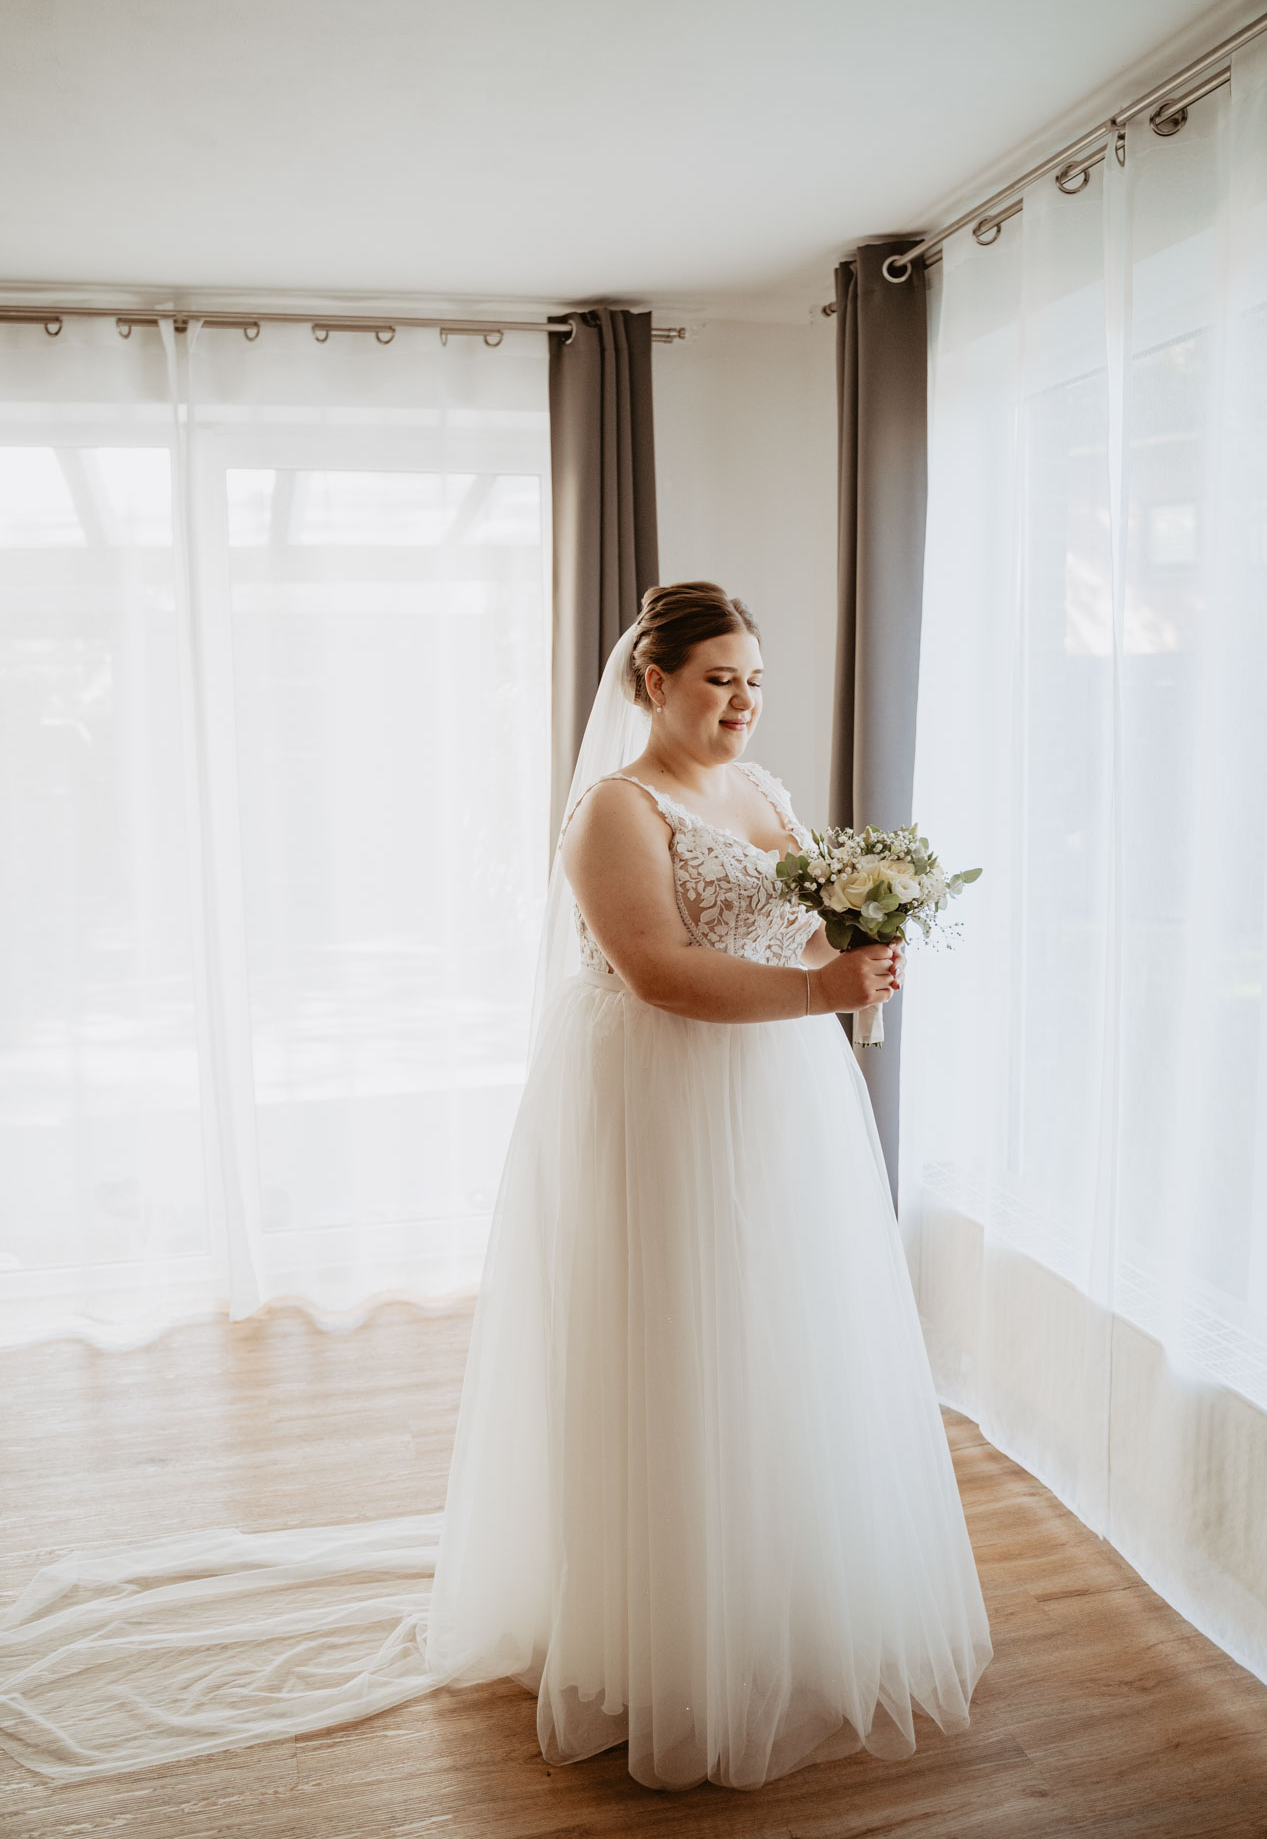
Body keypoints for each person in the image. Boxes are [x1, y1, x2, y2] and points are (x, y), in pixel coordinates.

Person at [0, 582, 992, 1793]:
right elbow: (663, 973)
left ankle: (777, 1589)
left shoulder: (767, 793)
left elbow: (793, 929)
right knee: (674, 1346)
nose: (742, 699)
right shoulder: (612, 813)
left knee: (780, 1340)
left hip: (777, 1101)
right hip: (668, 1105)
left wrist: (856, 943)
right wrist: (818, 996)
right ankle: (660, 1627)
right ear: (654, 682)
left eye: (755, 680)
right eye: (720, 677)